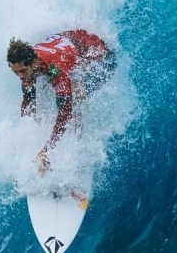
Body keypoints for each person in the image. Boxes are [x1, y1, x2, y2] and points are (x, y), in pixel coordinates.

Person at [7, 30, 115, 173]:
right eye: (15, 72)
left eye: (22, 71)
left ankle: (77, 150)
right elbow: (29, 102)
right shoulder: (27, 65)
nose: (19, 76)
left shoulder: (54, 69)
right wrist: (25, 136)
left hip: (102, 57)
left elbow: (65, 114)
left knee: (75, 96)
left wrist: (48, 149)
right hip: (75, 43)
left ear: (34, 63)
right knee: (44, 89)